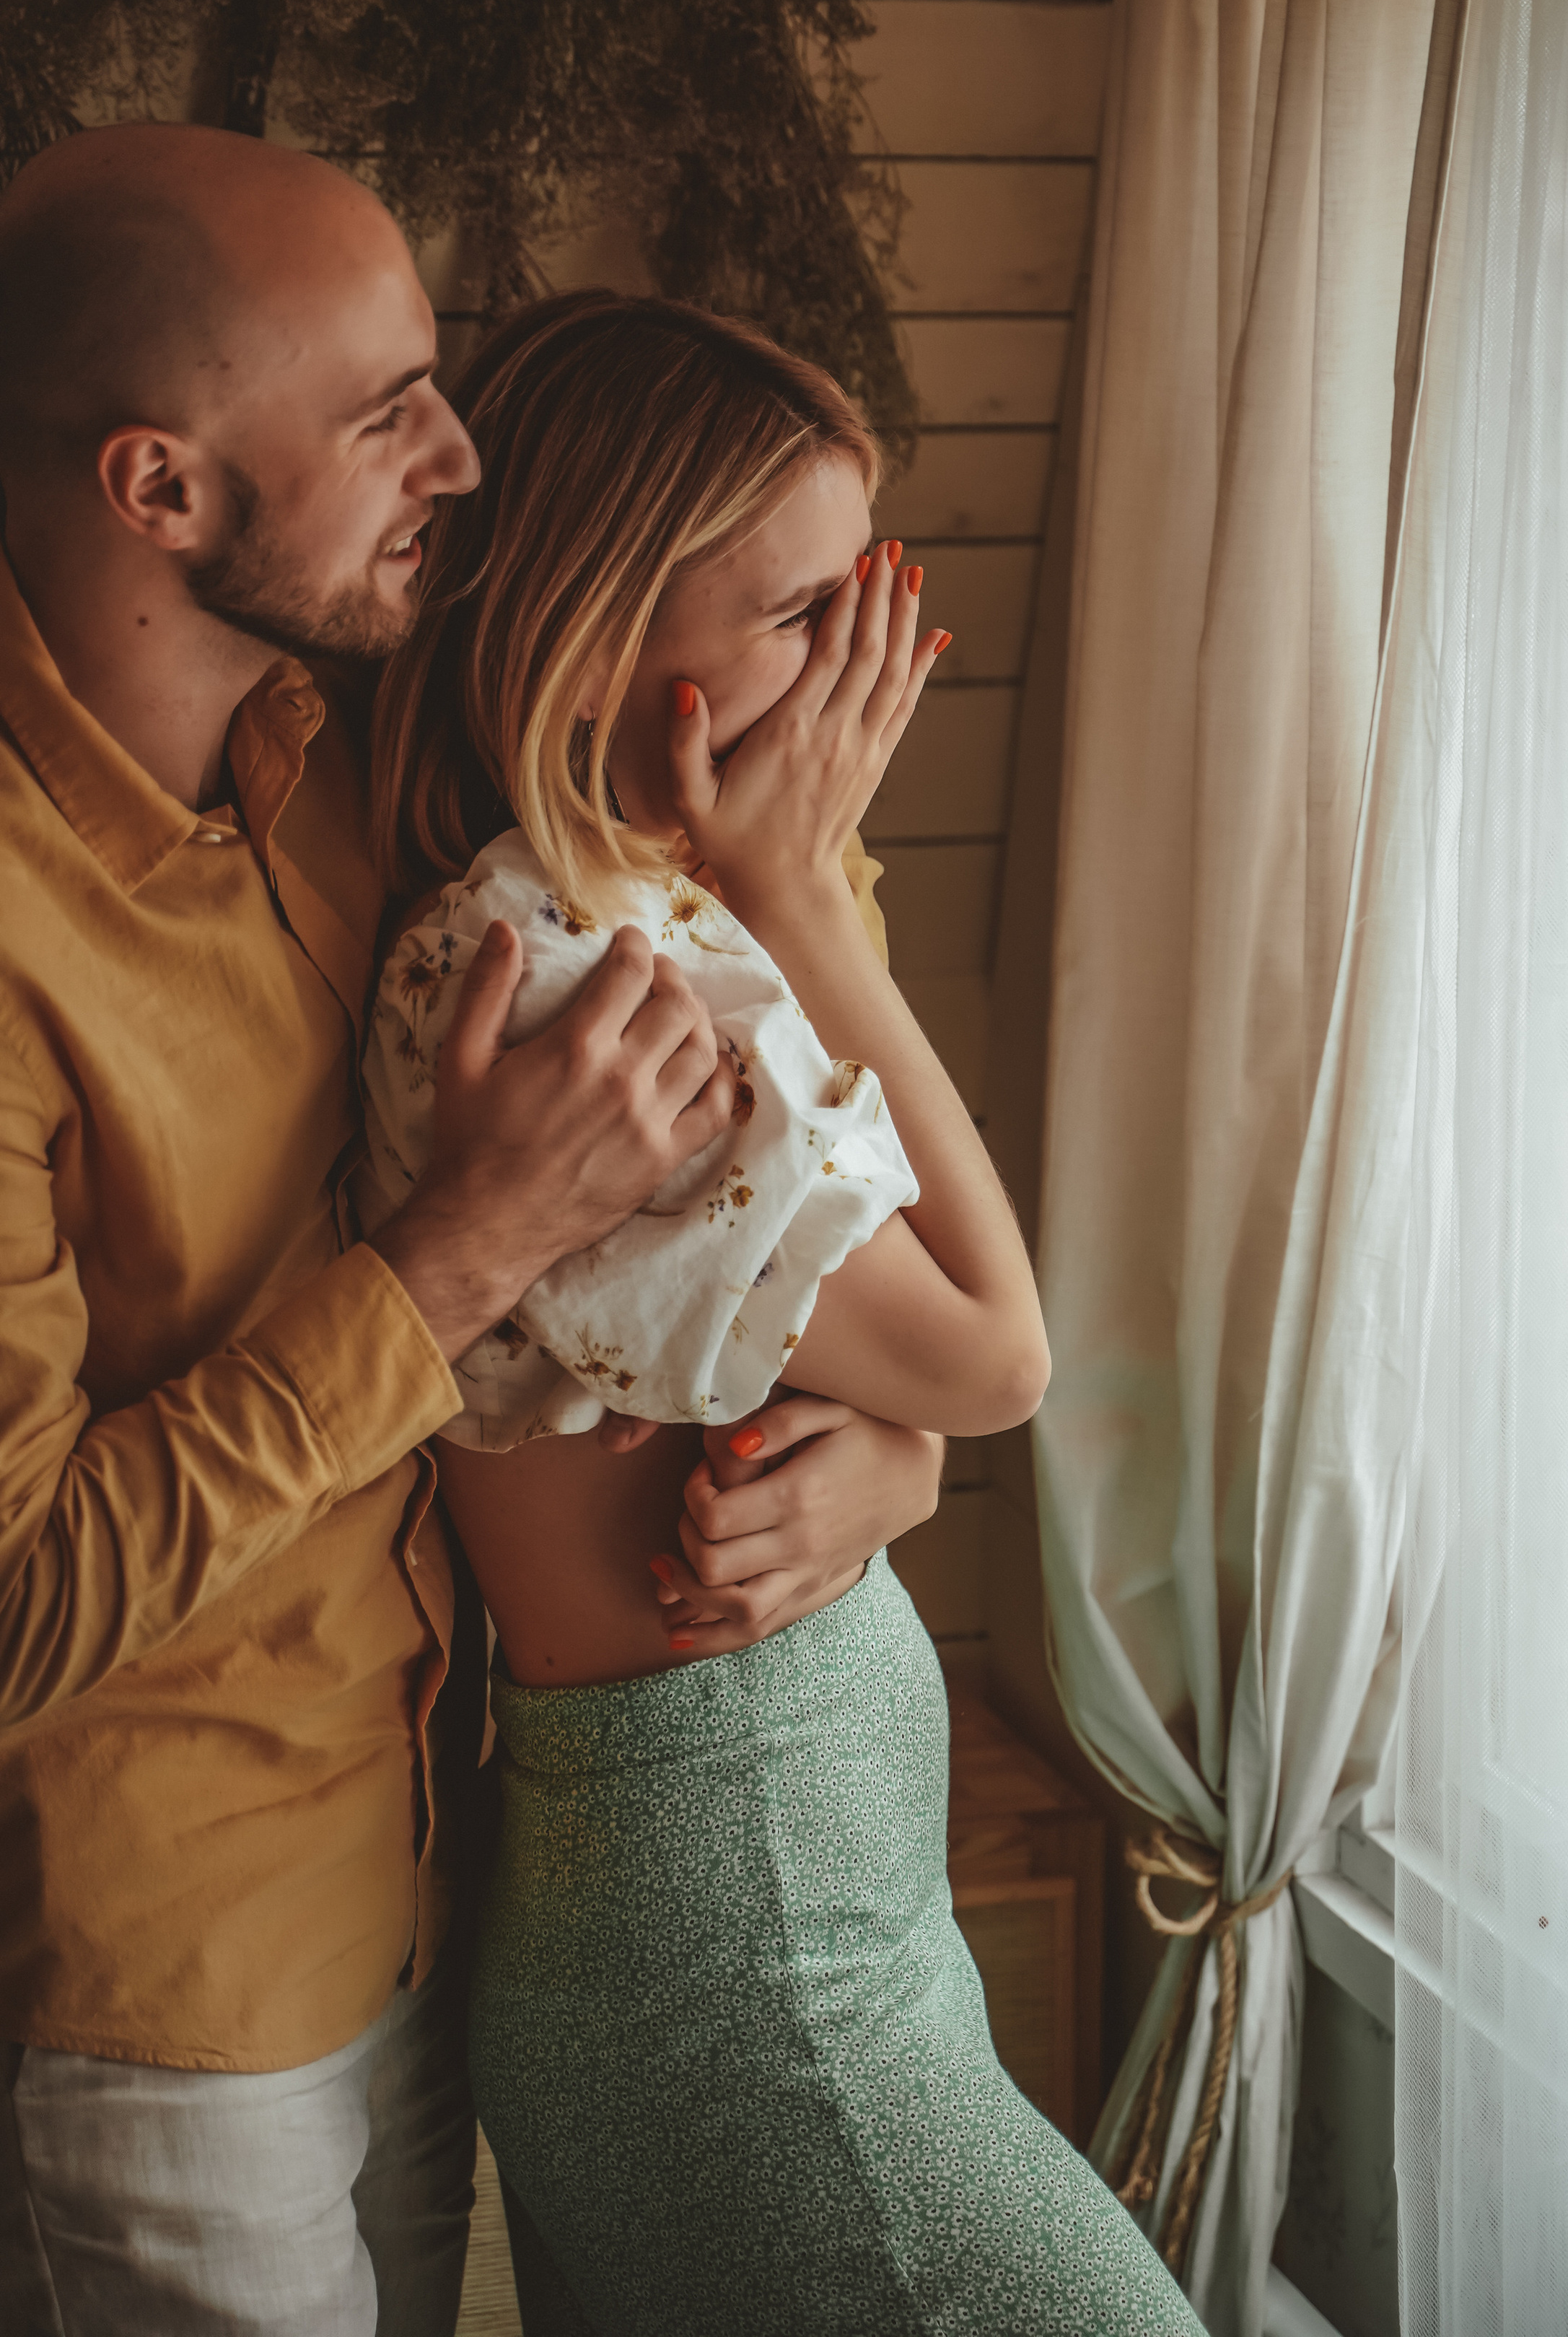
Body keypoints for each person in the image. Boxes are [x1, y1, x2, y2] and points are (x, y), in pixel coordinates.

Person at [0, 126, 947, 2337]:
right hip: (166, 2004)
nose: (459, 455)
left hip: (455, 1878)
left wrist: (892, 1455)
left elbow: (641, 1289)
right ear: (162, 488)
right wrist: (452, 1252)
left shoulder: (360, 771)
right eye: (384, 411)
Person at [365, 289, 1206, 2337]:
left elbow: (869, 1378)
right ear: (593, 645)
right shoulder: (593, 991)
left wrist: (895, 1464)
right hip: (743, 1948)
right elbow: (997, 1353)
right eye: (805, 613)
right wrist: (813, 895)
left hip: (760, 1911)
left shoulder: (637, 921)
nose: (868, 670)